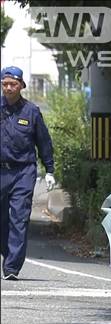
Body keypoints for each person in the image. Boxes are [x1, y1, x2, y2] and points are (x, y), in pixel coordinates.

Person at [1, 66, 56, 281]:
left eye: (12, 84)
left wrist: (49, 169)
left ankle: (12, 267)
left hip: (23, 171)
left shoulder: (31, 111)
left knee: (20, 218)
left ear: (21, 86)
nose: (8, 88)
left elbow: (44, 142)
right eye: (4, 83)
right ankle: (9, 253)